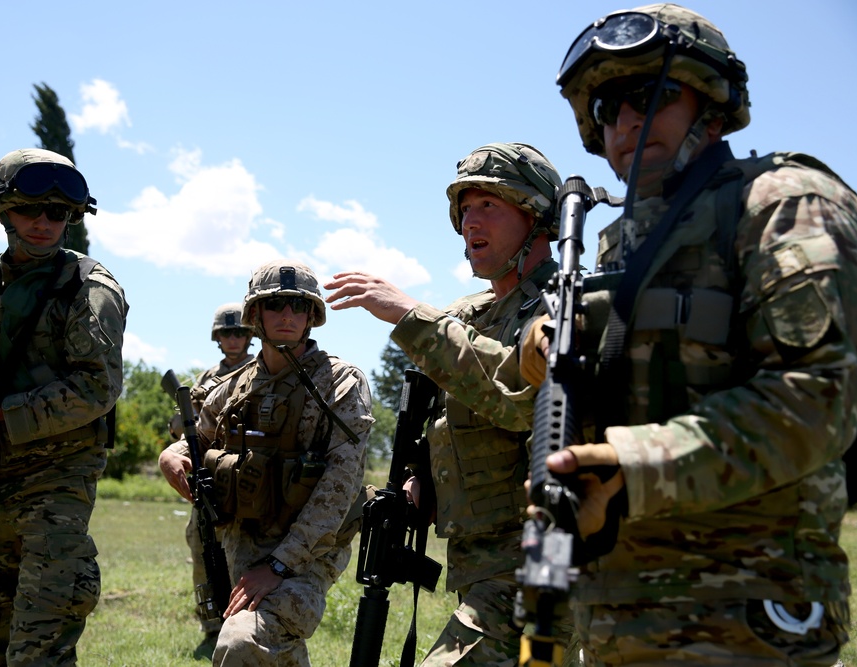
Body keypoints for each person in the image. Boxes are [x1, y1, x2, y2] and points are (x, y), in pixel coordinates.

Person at [519, 4, 857, 664]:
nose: (625, 120)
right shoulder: (620, 245)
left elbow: (818, 399)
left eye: (648, 94)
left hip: (744, 612)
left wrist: (636, 465)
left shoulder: (784, 203)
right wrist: (543, 345)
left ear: (710, 108)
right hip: (615, 613)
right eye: (607, 108)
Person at [325, 142, 567, 666]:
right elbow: (448, 421)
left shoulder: (566, 306)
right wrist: (422, 477)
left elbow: (521, 398)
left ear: (536, 218)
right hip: (478, 565)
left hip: (540, 567)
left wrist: (411, 315)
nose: (469, 222)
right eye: (464, 208)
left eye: (489, 207)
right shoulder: (469, 316)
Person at [0, 148, 128, 665]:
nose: (43, 223)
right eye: (29, 210)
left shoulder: (88, 288)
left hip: (55, 487)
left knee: (38, 652)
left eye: (57, 213)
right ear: (1, 213)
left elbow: (96, 389)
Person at [158, 260, 373, 667]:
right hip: (242, 546)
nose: (288, 315)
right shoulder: (232, 388)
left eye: (298, 305)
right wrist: (172, 455)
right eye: (275, 305)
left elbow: (339, 487)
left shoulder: (340, 383)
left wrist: (279, 564)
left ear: (312, 315)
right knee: (271, 652)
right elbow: (196, 439)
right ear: (255, 315)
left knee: (242, 644)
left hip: (307, 552)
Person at [172, 303, 255, 657]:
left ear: (250, 336)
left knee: (242, 555)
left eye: (239, 332)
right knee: (202, 549)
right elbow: (178, 429)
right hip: (207, 478)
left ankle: (243, 625)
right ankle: (211, 627)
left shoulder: (260, 370)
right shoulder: (206, 378)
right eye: (227, 332)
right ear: (217, 338)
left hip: (242, 477)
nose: (233, 338)